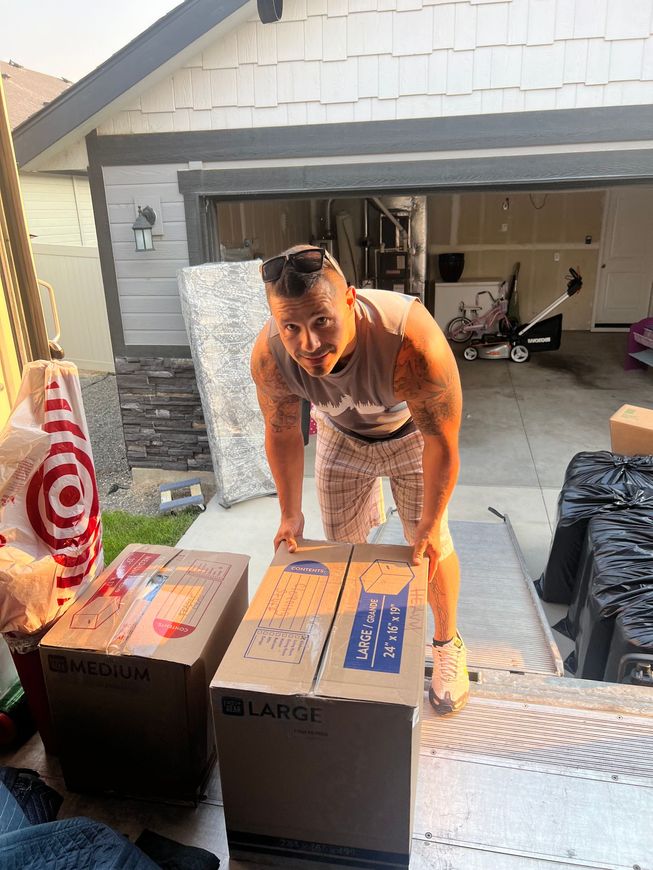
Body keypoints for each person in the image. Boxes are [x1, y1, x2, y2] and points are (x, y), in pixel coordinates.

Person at [250, 244, 468, 715]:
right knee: (341, 545)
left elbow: (443, 442)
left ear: (350, 300)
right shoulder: (270, 355)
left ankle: (448, 643)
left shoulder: (411, 340)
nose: (308, 343)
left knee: (429, 545)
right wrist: (290, 512)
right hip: (339, 434)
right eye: (291, 327)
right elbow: (283, 431)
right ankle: (352, 631)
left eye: (322, 321)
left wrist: (430, 521)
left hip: (412, 436)